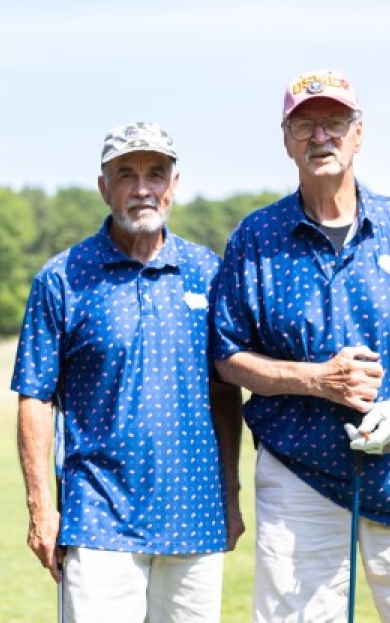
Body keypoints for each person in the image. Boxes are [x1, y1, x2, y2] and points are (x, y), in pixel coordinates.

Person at [12, 122, 244, 623]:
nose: (142, 188)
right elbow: (34, 397)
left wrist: (232, 494)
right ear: (104, 186)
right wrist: (40, 509)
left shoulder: (209, 272)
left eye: (155, 174)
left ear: (174, 185)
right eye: (126, 174)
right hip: (98, 521)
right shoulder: (62, 278)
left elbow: (226, 393)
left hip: (196, 517)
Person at [212, 69, 390, 622]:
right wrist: (317, 380)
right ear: (286, 140)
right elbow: (227, 355)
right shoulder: (256, 237)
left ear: (358, 134)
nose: (320, 137)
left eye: (334, 122)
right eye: (304, 125)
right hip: (299, 475)